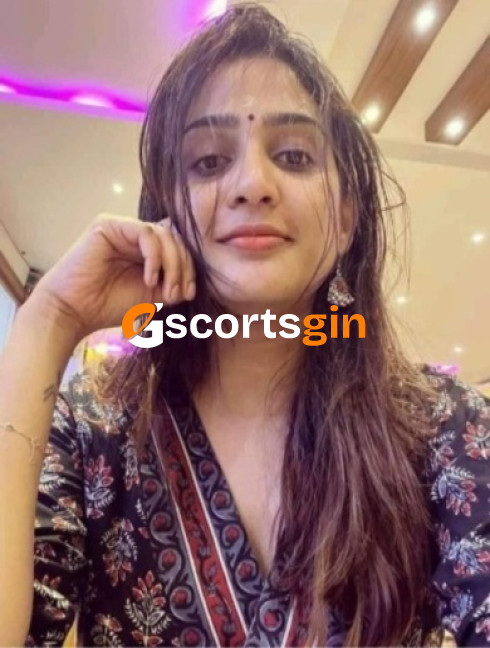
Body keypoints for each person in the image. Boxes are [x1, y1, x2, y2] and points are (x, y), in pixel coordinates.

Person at [1, 4, 489, 646]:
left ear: (346, 219)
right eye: (208, 162)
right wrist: (46, 323)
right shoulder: (92, 430)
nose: (253, 184)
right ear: (168, 210)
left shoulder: (444, 426)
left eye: (294, 155)